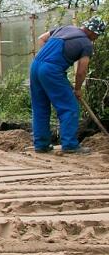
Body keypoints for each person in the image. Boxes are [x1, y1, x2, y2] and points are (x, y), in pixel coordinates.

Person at [30, 16, 105, 153]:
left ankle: (41, 145)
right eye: (97, 35)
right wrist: (77, 89)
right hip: (51, 70)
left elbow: (41, 38)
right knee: (69, 107)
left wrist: (48, 60)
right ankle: (70, 145)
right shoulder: (86, 44)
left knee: (40, 106)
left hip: (35, 66)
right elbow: (82, 71)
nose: (96, 38)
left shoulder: (65, 28)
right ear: (92, 32)